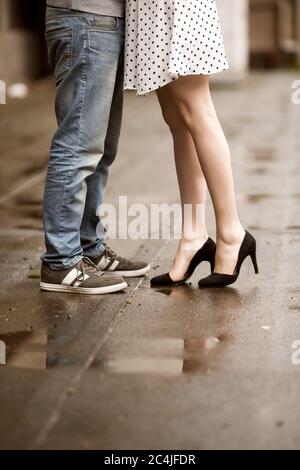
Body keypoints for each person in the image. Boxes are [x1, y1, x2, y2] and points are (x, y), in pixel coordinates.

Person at [124, 0, 259, 288]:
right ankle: (193, 235)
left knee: (198, 111)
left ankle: (232, 233)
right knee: (177, 119)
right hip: (149, 9)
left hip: (171, 6)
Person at [41, 0, 150, 295]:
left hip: (101, 20)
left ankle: (88, 246)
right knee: (79, 146)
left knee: (101, 150)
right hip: (86, 17)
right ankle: (61, 261)